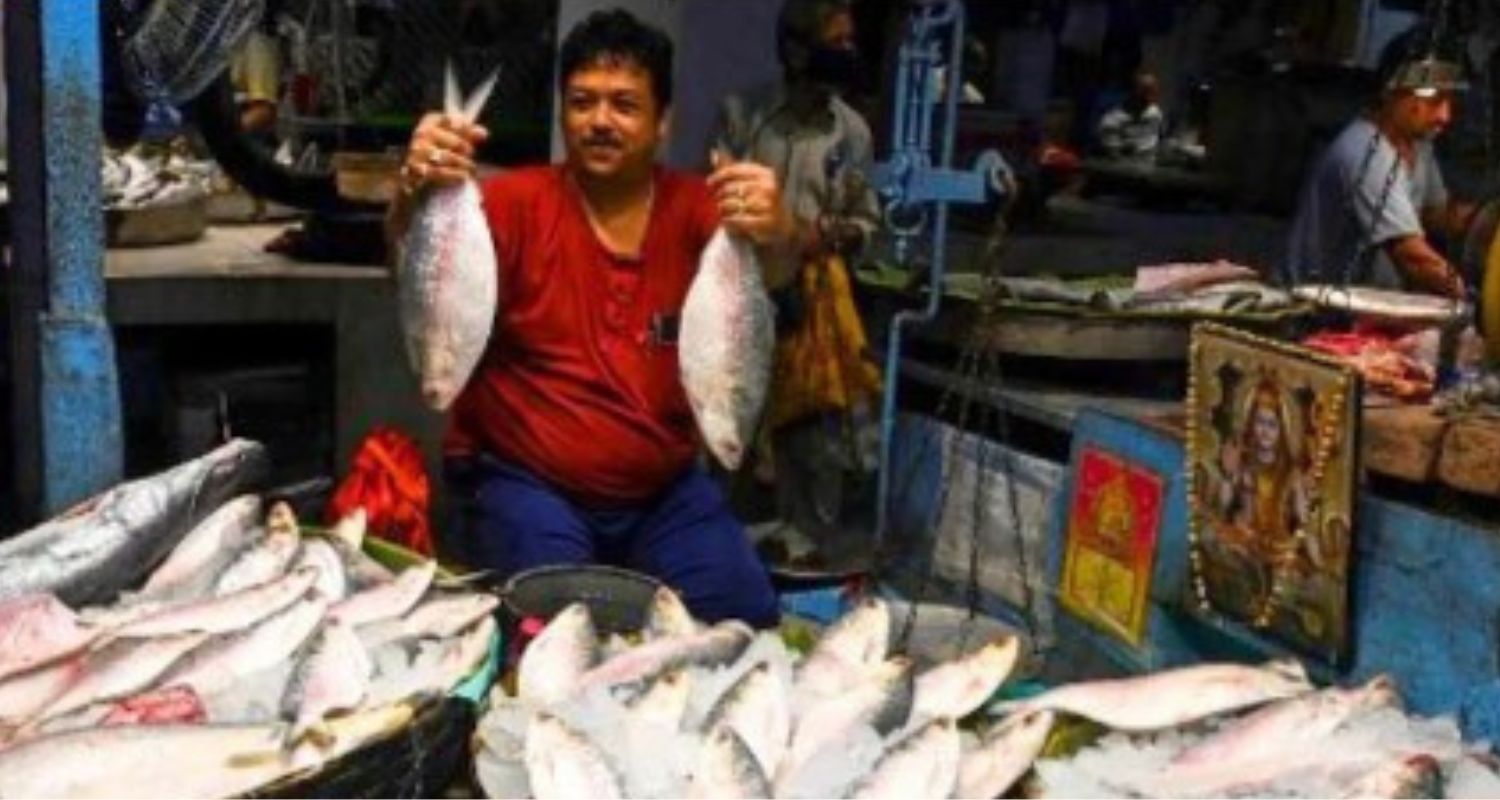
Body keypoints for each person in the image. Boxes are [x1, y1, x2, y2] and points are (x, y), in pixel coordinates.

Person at [385, 9, 797, 627]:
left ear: (663, 123)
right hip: (530, 485)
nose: (600, 121)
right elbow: (411, 265)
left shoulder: (699, 212)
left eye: (625, 105)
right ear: (562, 113)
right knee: (554, 622)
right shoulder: (511, 203)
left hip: (666, 496)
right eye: (582, 102)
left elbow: (781, 269)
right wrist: (413, 189)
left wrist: (780, 226)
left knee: (745, 618)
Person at [710, 0, 883, 548]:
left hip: (812, 311)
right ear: (796, 49)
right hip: (743, 301)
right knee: (730, 434)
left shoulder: (851, 132)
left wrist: (815, 235)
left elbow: (866, 223)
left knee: (812, 447)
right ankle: (721, 552)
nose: (848, 53)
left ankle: (804, 557)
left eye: (851, 42)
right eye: (837, 42)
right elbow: (709, 196)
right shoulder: (745, 114)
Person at [1284, 43, 1474, 298]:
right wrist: (1480, 301)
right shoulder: (1366, 152)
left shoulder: (1418, 143)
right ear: (1390, 92)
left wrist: (1488, 223)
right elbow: (1414, 260)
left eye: (1449, 100)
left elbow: (1436, 213)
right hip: (1313, 312)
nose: (1444, 116)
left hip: (1365, 305)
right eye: (1433, 100)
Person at [1095, 69, 1166, 161]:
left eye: (1153, 90)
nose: (1150, 95)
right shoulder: (1112, 120)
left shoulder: (1155, 113)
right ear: (1133, 91)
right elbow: (1113, 154)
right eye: (1145, 90)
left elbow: (1160, 138)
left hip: (1151, 167)